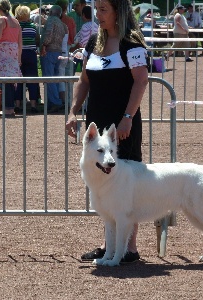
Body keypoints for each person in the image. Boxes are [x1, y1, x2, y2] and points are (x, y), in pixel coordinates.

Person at [65, 0, 149, 263]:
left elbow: (141, 80)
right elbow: (83, 80)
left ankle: (130, 248)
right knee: (103, 189)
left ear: (118, 12)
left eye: (104, 9)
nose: (97, 14)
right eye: (97, 9)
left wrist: (127, 117)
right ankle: (111, 245)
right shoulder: (93, 43)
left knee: (126, 187)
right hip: (98, 128)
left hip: (123, 127)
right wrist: (72, 111)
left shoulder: (132, 44)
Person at [39, 5, 68, 112]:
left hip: (49, 51)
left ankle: (55, 102)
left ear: (51, 12)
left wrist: (43, 45)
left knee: (48, 78)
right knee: (55, 78)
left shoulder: (51, 20)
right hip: (58, 52)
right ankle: (53, 101)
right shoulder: (62, 24)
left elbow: (48, 34)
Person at [14, 5, 40, 114]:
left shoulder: (15, 27)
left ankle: (17, 104)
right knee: (32, 80)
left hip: (18, 54)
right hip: (31, 54)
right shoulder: (32, 26)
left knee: (18, 81)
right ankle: (33, 105)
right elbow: (37, 40)